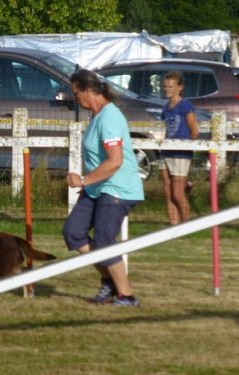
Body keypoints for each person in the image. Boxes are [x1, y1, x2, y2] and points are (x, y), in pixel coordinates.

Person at [62, 69, 144, 306]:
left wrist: (84, 180)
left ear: (88, 91)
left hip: (117, 188)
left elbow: (115, 161)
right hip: (98, 188)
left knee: (105, 240)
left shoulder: (109, 118)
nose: (75, 98)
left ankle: (126, 295)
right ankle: (109, 282)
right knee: (73, 233)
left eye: (76, 93)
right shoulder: (97, 117)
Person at [160, 71, 199, 225]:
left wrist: (186, 147)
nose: (167, 89)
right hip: (166, 151)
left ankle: (186, 224)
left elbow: (194, 131)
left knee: (178, 193)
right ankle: (173, 225)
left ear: (179, 87)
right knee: (168, 191)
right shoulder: (165, 108)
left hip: (180, 153)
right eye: (165, 86)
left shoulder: (185, 105)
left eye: (170, 86)